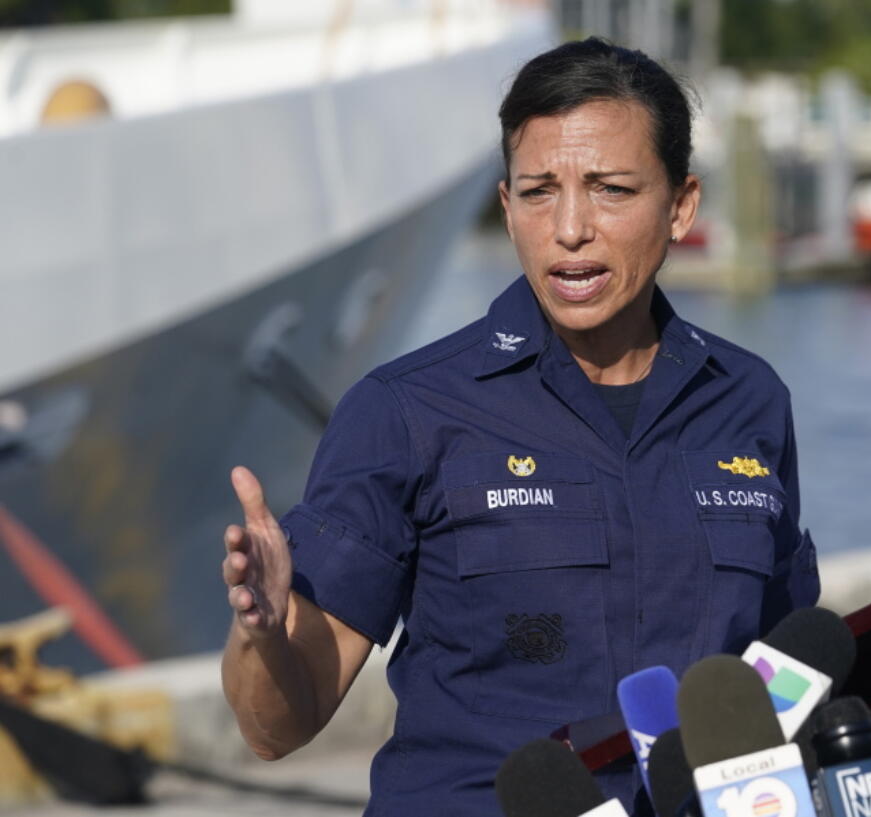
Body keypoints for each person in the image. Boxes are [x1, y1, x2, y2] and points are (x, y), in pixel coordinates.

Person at [219, 37, 819, 816]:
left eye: (609, 189)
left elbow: (785, 673)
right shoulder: (406, 410)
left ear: (681, 205)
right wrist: (264, 630)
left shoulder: (750, 400)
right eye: (538, 191)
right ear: (506, 207)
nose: (570, 228)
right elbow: (277, 728)